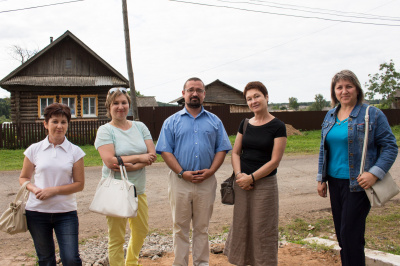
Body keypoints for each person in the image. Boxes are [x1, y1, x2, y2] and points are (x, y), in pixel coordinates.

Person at [317, 70, 398, 266]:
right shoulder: (330, 115)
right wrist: (321, 178)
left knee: (349, 234)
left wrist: (374, 174)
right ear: (334, 91)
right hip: (335, 183)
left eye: (348, 86)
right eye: (339, 87)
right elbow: (323, 148)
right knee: (343, 236)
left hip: (359, 184)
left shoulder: (372, 114)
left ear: (357, 89)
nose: (344, 91)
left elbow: (390, 146)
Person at [155, 77, 232, 265]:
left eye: (199, 90)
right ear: (183, 94)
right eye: (190, 90)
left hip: (206, 181)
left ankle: (201, 263)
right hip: (180, 181)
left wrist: (211, 171)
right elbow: (165, 150)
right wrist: (182, 172)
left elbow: (222, 148)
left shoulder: (215, 121)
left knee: (202, 227)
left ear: (204, 94)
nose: (195, 93)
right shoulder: (171, 122)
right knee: (180, 227)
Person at [224, 81, 287, 266]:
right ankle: (242, 261)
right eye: (249, 99)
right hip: (242, 183)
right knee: (241, 225)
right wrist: (239, 176)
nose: (253, 101)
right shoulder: (244, 124)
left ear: (266, 97)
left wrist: (252, 177)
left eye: (257, 96)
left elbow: (275, 160)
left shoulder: (278, 126)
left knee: (263, 227)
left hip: (265, 184)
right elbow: (235, 152)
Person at [94, 87, 157, 266]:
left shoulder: (140, 126)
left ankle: (131, 262)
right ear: (109, 107)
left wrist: (130, 164)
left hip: (138, 188)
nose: (120, 107)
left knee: (141, 230)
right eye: (116, 103)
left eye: (123, 102)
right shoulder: (105, 131)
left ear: (128, 105)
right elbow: (110, 162)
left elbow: (152, 154)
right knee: (116, 237)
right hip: (116, 190)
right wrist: (139, 157)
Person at [19, 103, 85, 266]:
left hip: (65, 212)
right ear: (46, 124)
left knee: (71, 259)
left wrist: (53, 191)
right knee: (46, 260)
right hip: (36, 212)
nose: (59, 126)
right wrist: (34, 188)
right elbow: (23, 178)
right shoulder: (34, 150)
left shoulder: (75, 151)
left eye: (63, 122)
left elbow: (79, 184)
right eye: (55, 121)